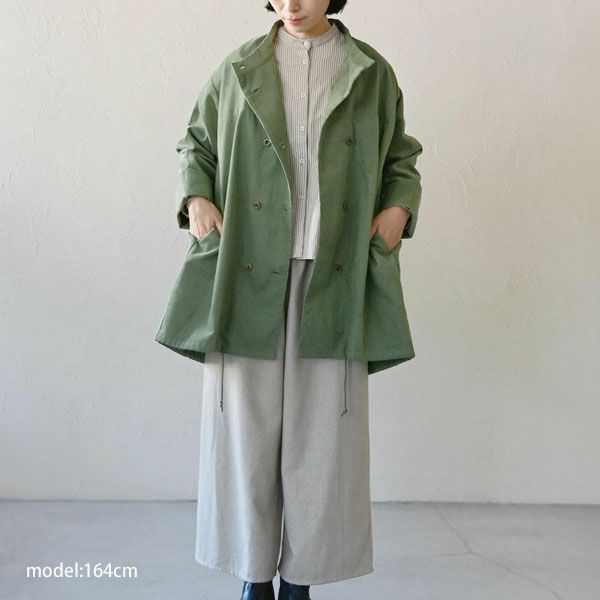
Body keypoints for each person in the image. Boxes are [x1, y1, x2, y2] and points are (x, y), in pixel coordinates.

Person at [154, 1, 423, 598]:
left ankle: (303, 579)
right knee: (243, 432)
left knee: (325, 437)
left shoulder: (369, 72)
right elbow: (196, 145)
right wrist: (196, 200)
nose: (292, 3)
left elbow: (400, 157)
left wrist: (397, 211)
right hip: (248, 267)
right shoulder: (238, 68)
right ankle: (253, 575)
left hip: (334, 271)